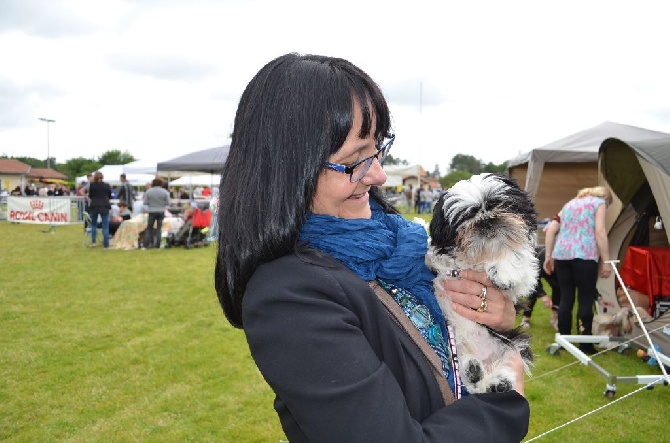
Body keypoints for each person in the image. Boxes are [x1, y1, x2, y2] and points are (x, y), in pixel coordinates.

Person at [213, 53, 529, 442]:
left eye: (378, 148)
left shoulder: (407, 241)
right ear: (290, 171)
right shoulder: (287, 298)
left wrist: (496, 316)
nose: (378, 173)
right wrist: (504, 399)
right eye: (353, 161)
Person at [543, 186, 613, 353]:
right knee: (585, 298)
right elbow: (600, 231)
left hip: (562, 255)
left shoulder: (568, 204)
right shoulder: (599, 203)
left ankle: (564, 339)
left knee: (566, 297)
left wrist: (548, 256)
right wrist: (607, 260)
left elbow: (551, 229)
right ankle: (585, 341)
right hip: (585, 255)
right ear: (605, 197)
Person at [142, 177, 170, 249]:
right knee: (159, 228)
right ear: (161, 184)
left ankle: (145, 245)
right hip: (161, 211)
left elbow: (145, 202)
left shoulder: (148, 191)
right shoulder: (165, 192)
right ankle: (158, 245)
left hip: (151, 211)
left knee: (149, 228)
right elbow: (168, 202)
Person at [87, 171, 112, 248]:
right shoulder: (107, 185)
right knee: (105, 226)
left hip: (94, 205)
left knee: (93, 225)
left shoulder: (92, 185)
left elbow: (90, 195)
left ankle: (94, 242)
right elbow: (109, 195)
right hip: (104, 205)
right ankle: (106, 244)